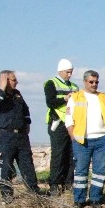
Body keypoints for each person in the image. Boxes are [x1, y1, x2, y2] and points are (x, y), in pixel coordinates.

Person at [65, 70, 105, 208]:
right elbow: (69, 120)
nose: (94, 84)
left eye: (96, 82)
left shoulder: (103, 97)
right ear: (85, 82)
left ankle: (95, 198)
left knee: (100, 171)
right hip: (82, 140)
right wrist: (74, 138)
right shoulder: (76, 97)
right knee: (81, 171)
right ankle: (79, 200)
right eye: (91, 82)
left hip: (102, 139)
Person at [0, 70, 40, 203]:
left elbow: (25, 110)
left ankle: (34, 193)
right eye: (13, 80)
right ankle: (7, 196)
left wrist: (27, 123)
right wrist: (3, 86)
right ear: (4, 80)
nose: (16, 82)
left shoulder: (17, 94)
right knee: (6, 166)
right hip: (6, 135)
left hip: (21, 136)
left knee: (27, 165)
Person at [44, 59, 78, 195]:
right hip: (58, 123)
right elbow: (50, 102)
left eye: (71, 72)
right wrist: (65, 98)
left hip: (72, 123)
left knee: (71, 155)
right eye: (67, 72)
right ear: (60, 70)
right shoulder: (51, 83)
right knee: (58, 154)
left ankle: (68, 182)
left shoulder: (75, 86)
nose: (69, 75)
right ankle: (54, 184)